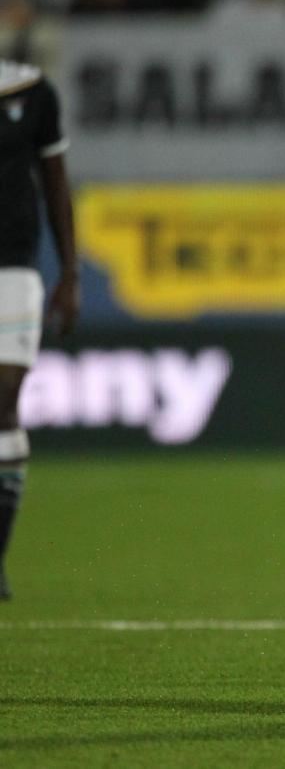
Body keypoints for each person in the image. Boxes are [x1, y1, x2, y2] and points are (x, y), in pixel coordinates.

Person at [0, 58, 77, 602]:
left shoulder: (31, 90)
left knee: (4, 399)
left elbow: (55, 178)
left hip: (13, 263)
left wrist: (69, 272)